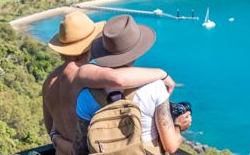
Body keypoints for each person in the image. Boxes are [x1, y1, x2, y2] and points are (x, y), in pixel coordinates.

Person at [42, 11, 176, 155]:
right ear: (91, 43)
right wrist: (162, 73)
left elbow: (51, 128)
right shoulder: (82, 72)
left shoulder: (49, 80)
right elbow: (118, 79)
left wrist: (57, 140)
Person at [76, 15, 191, 155]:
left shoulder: (86, 95)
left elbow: (80, 147)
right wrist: (178, 125)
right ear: (137, 51)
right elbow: (170, 145)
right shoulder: (155, 88)